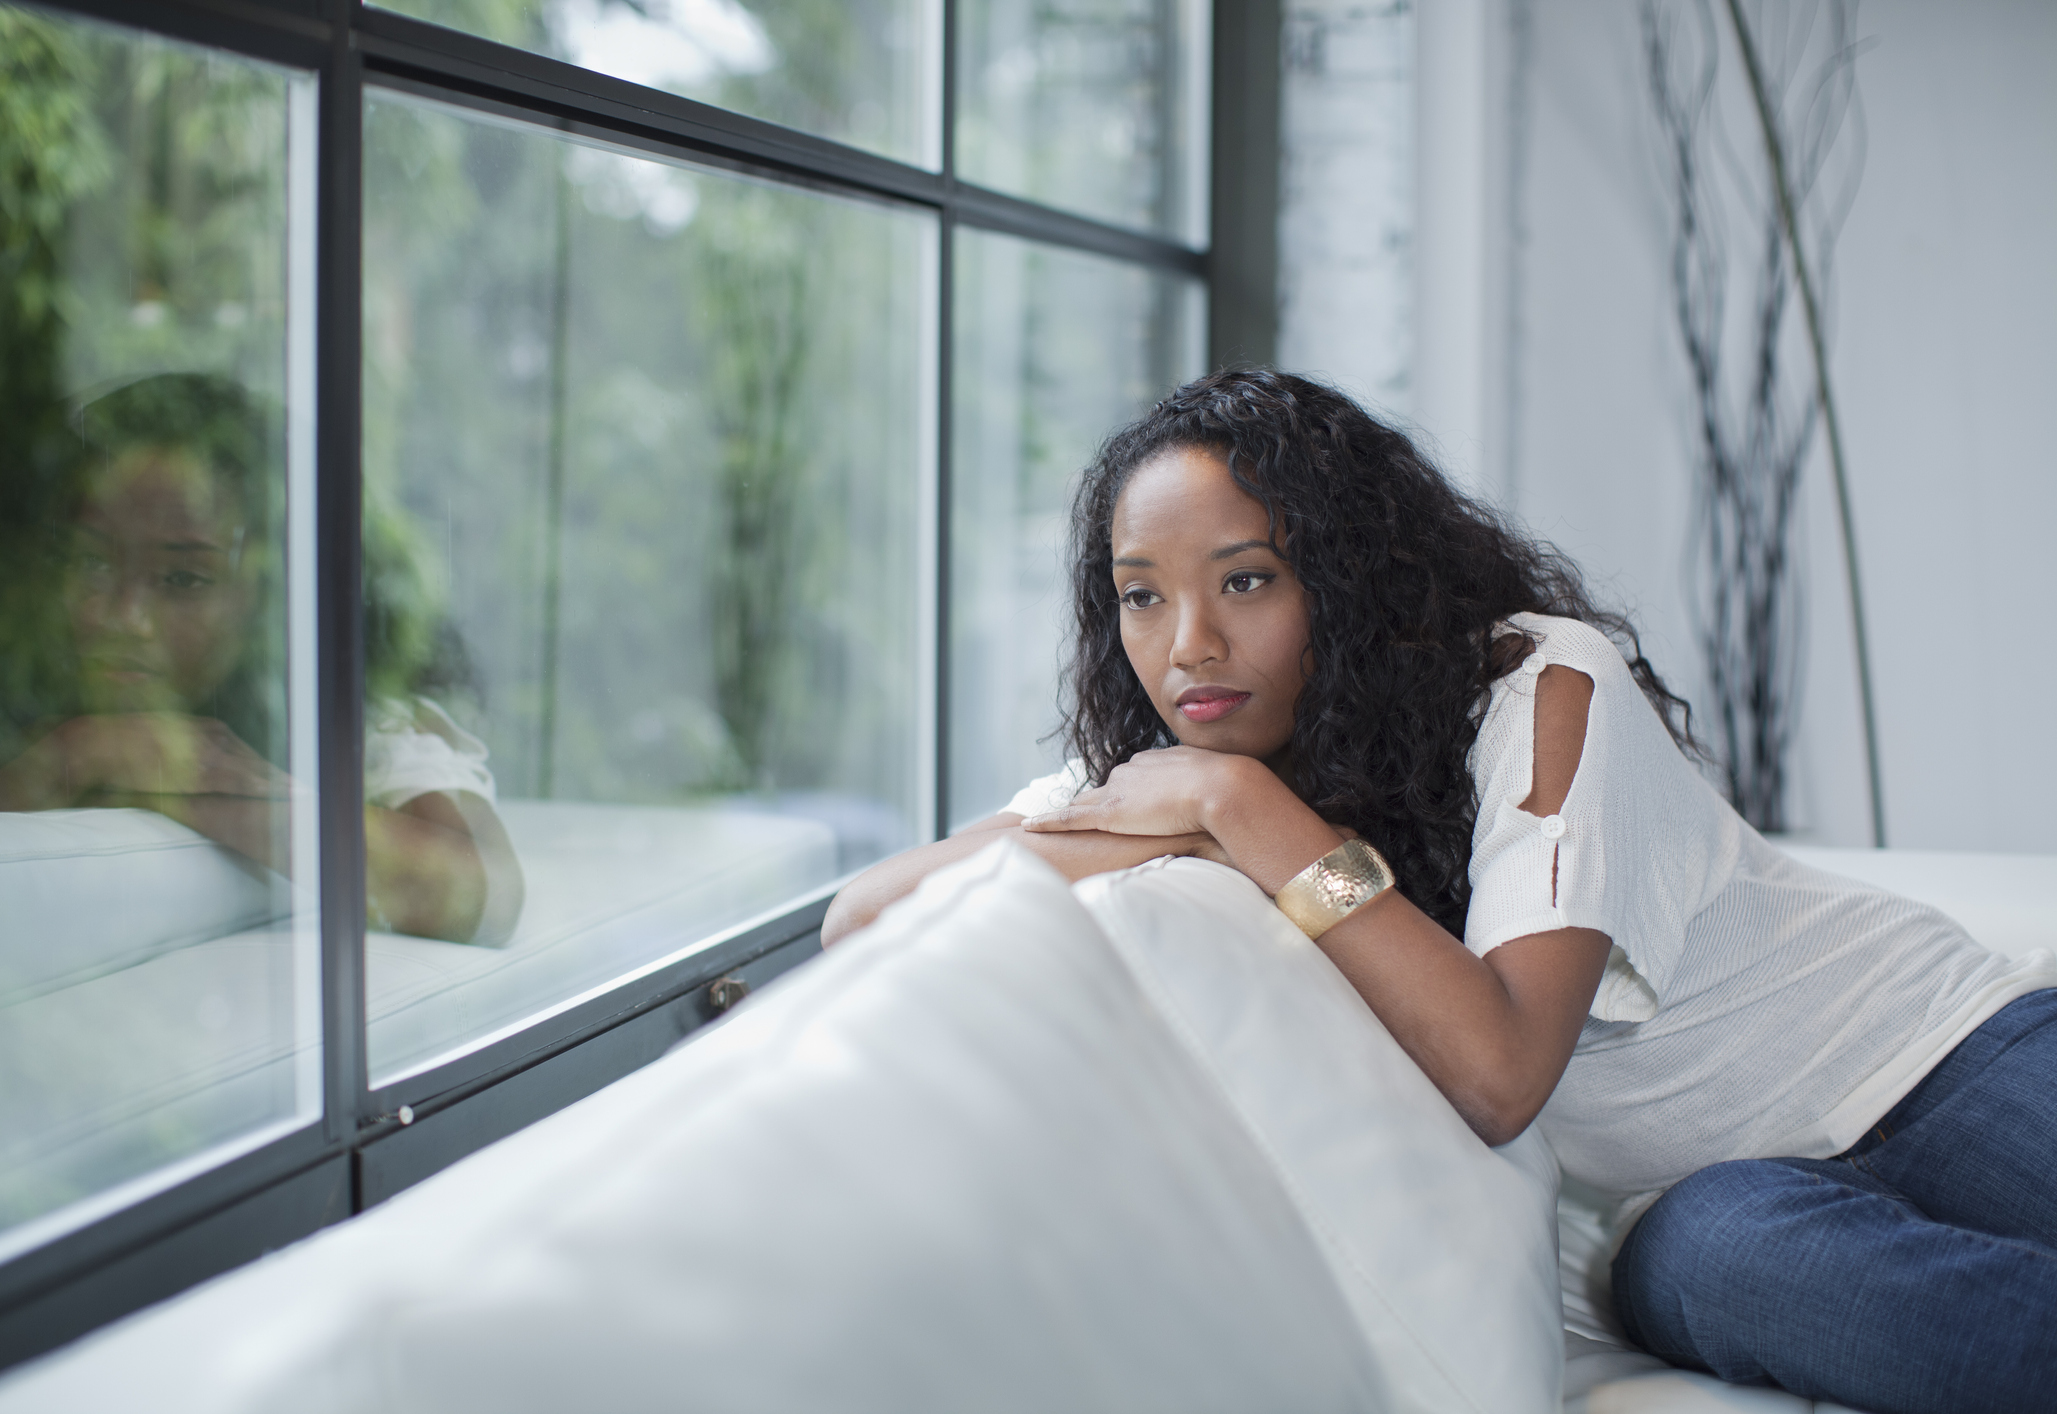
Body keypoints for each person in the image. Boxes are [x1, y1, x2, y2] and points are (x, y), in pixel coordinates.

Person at [823, 370, 2057, 1413]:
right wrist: (1211, 821)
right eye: (1142, 593)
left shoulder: (1540, 685)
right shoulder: (1182, 774)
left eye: (1246, 579)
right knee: (1751, 1274)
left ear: (1349, 576)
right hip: (1699, 1204)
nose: (1187, 643)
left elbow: (1499, 1063)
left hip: (1936, 1054)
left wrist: (1245, 815)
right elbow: (863, 915)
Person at [0, 373, 522, 946]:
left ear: (274, 600)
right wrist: (67, 757)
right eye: (93, 564)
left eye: (183, 578)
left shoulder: (355, 725)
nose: (126, 616)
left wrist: (202, 778)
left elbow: (488, 894)